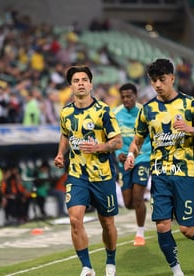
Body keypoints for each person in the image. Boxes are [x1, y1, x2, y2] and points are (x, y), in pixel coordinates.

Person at [125, 59, 194, 276]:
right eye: (154, 80)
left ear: (172, 78)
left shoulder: (190, 104)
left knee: (186, 229)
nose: (157, 84)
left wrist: (189, 129)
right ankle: (177, 271)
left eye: (162, 79)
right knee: (162, 226)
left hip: (186, 173)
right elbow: (137, 140)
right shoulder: (147, 110)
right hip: (160, 175)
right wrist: (131, 155)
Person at [54, 66, 123, 276]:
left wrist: (99, 147)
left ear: (91, 84)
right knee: (75, 220)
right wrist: (60, 154)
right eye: (76, 80)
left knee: (108, 223)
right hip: (77, 175)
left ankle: (110, 261)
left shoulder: (103, 111)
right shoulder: (66, 112)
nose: (81, 83)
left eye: (84, 79)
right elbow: (65, 136)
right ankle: (87, 266)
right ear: (71, 86)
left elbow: (117, 141)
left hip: (102, 175)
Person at [113, 82, 151, 246]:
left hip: (142, 157)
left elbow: (150, 136)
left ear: (136, 96)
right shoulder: (116, 114)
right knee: (128, 202)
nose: (126, 99)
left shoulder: (145, 112)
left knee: (137, 197)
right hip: (124, 162)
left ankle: (140, 234)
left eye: (129, 96)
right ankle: (150, 197)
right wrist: (118, 154)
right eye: (123, 97)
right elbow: (114, 138)